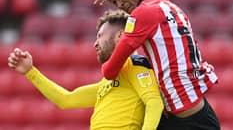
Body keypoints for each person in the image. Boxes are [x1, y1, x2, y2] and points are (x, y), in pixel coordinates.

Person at [87, 0, 220, 130]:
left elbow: (109, 71)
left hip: (185, 121)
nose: (119, 4)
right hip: (197, 111)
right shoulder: (172, 7)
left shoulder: (142, 14)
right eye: (114, 1)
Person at [7, 10, 163, 130]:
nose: (95, 43)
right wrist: (30, 72)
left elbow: (154, 103)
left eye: (100, 36)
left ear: (120, 36)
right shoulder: (108, 82)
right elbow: (66, 100)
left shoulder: (134, 64)